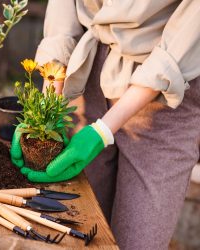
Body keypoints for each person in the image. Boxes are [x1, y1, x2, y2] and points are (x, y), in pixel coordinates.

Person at [10, 1, 200, 249]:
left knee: (138, 242)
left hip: (164, 97)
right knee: (71, 234)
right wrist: (48, 105)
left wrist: (102, 131)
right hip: (85, 76)